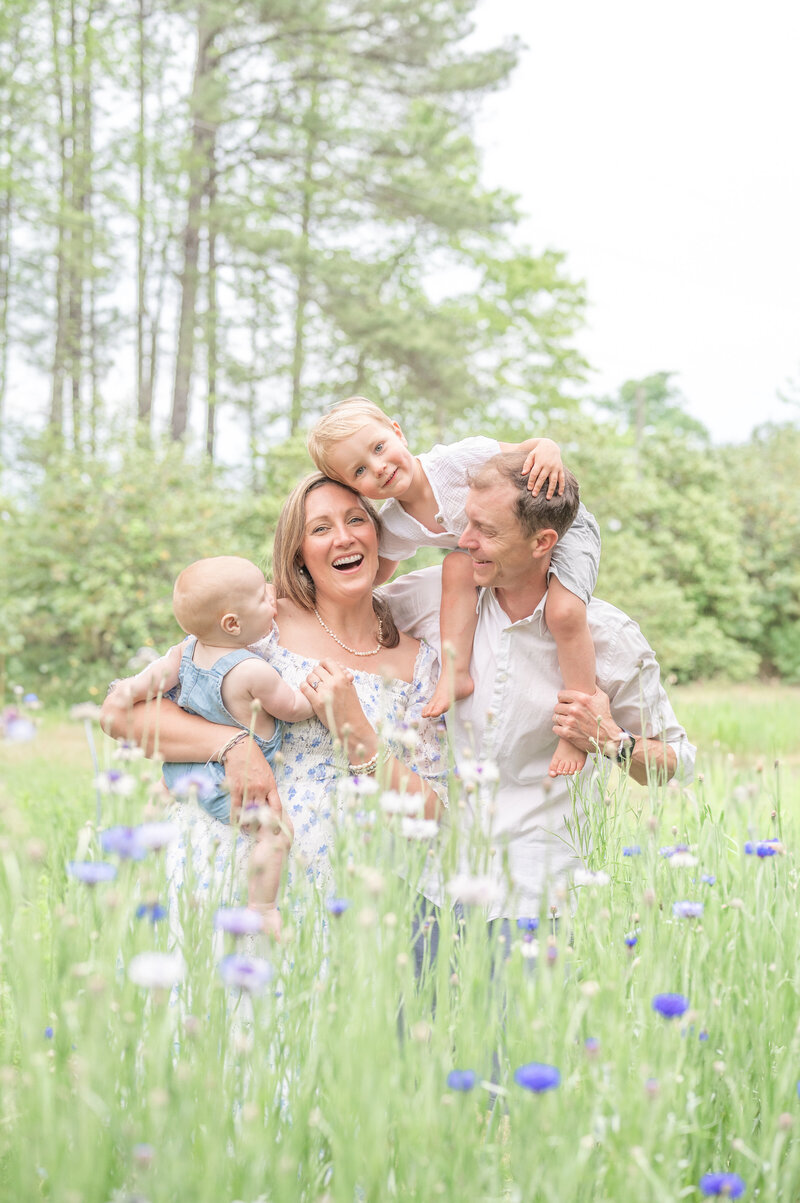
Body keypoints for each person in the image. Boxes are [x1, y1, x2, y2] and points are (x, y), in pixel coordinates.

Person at [100, 478, 447, 920]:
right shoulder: (259, 624)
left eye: (356, 519)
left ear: (377, 535)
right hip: (228, 867)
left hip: (349, 893)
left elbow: (434, 811)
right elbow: (120, 716)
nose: (344, 537)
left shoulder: (419, 662)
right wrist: (233, 746)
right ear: (297, 551)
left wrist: (358, 735)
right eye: (320, 528)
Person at [382, 450, 696, 923]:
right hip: (425, 884)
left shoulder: (609, 637)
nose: (464, 541)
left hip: (538, 893)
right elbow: (339, 626)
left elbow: (676, 763)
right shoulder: (438, 599)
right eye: (467, 522)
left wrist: (613, 741)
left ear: (542, 541)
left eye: (486, 531)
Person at [307, 396, 601, 777]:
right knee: (456, 566)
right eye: (359, 470)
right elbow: (373, 576)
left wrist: (550, 448)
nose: (378, 468)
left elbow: (530, 449)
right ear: (354, 487)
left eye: (379, 448)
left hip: (562, 530)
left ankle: (577, 723)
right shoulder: (395, 522)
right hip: (498, 553)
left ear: (397, 432)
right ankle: (455, 673)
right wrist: (307, 591)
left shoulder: (457, 460)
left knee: (564, 612)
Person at [110, 556, 313, 934]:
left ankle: (150, 832)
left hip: (183, 771)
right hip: (230, 784)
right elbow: (293, 709)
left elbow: (149, 681)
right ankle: (263, 907)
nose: (273, 599)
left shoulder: (185, 650)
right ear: (233, 624)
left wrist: (127, 690)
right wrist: (317, 695)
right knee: (275, 829)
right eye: (261, 597)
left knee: (163, 796)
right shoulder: (252, 671)